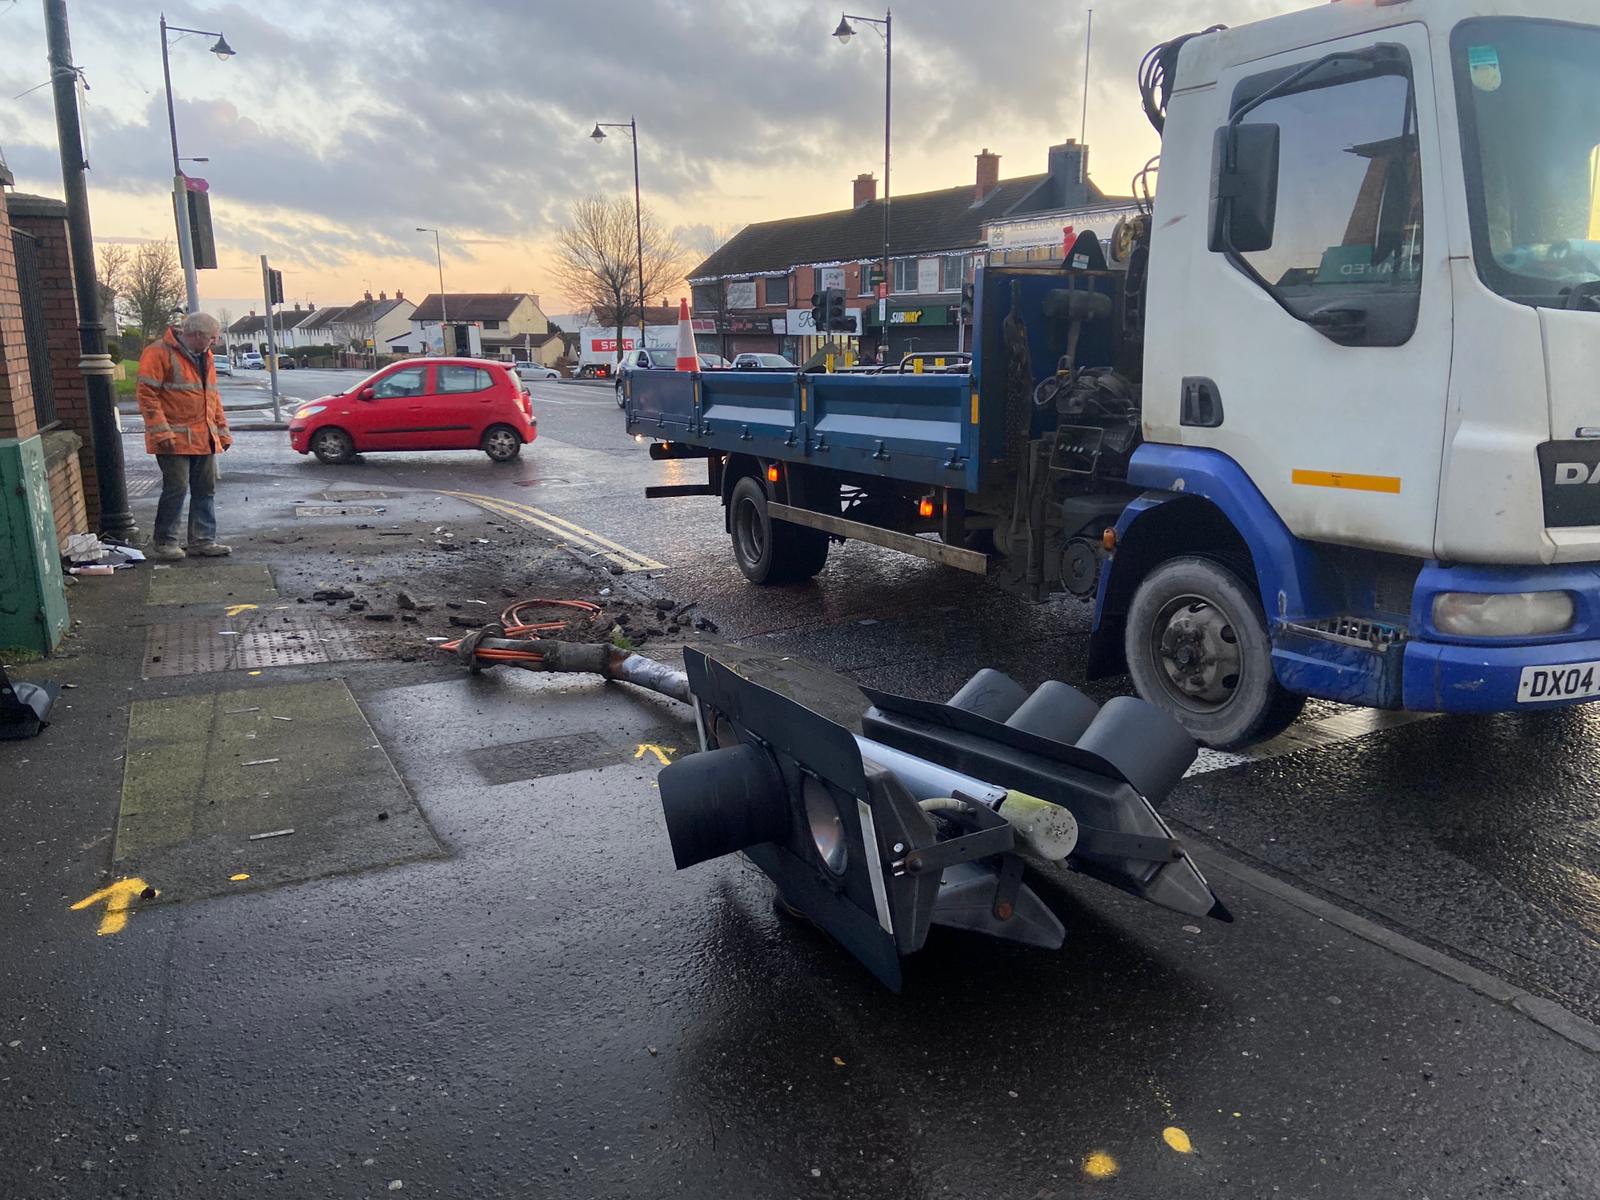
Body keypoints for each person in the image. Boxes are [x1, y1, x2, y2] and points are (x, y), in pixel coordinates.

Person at [136, 311, 233, 560]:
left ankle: (202, 540)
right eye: (213, 337)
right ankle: (165, 541)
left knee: (205, 489)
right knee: (176, 488)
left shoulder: (206, 356)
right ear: (198, 335)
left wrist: (222, 432)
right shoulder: (158, 353)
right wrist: (161, 431)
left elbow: (212, 397)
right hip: (173, 439)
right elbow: (148, 395)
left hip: (203, 436)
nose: (215, 341)